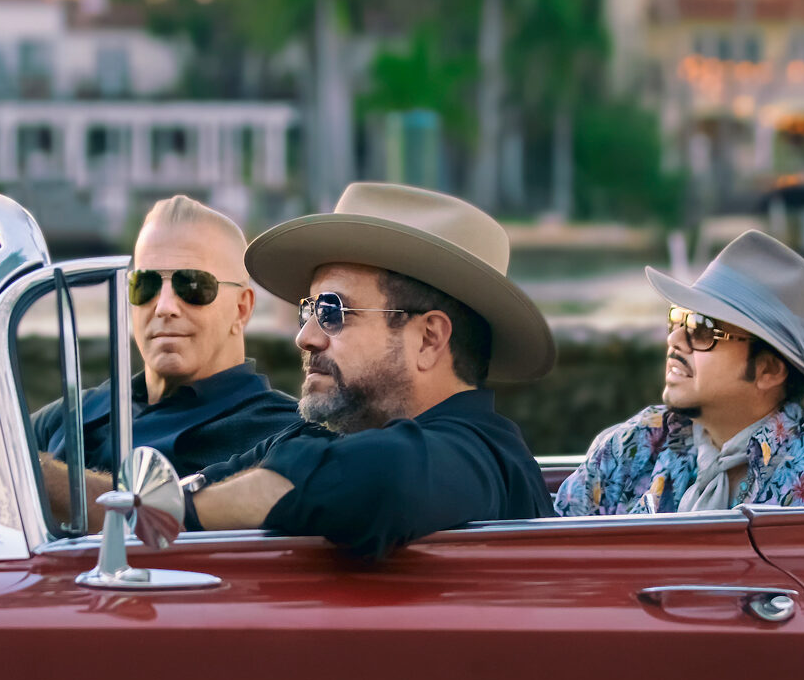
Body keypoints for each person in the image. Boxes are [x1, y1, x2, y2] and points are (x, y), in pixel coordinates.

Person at [182, 182, 556, 558]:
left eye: (332, 312)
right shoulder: (319, 437)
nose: (305, 337)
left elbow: (380, 478)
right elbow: (204, 483)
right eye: (308, 311)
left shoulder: (482, 459)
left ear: (428, 339)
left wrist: (180, 511)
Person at [556, 230, 804, 515]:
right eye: (678, 319)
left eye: (702, 329)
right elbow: (551, 557)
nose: (675, 339)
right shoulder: (632, 446)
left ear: (768, 370)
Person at [32, 196, 299, 522]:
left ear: (241, 309)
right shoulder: (69, 414)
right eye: (145, 285)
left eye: (193, 285)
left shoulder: (280, 432)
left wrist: (34, 473)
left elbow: (165, 517)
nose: (164, 306)